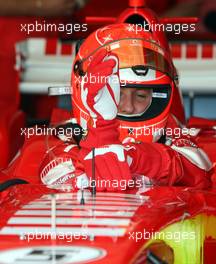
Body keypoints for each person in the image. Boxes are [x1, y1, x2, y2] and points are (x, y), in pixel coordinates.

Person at [2, 23, 213, 191]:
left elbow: (201, 170)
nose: (129, 107)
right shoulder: (54, 139)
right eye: (118, 94)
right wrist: (100, 142)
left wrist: (133, 157)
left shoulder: (180, 136)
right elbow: (53, 175)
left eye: (141, 95)